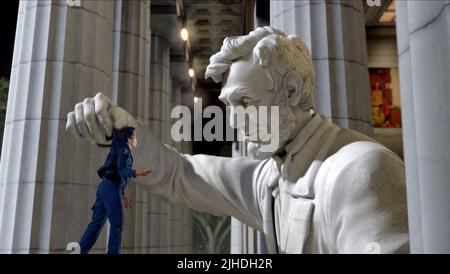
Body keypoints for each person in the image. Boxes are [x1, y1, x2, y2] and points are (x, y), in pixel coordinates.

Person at [67, 27, 409, 253]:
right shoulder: (273, 177)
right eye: (229, 106)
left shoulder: (361, 170)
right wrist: (126, 134)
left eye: (244, 102)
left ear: (290, 91)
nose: (233, 120)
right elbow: (180, 173)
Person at [78, 127, 151, 254]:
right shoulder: (124, 150)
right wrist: (136, 172)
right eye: (134, 136)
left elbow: (115, 174)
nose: (136, 139)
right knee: (117, 224)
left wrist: (121, 195)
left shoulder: (119, 149)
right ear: (128, 139)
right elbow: (121, 170)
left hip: (105, 187)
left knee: (95, 225)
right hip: (110, 189)